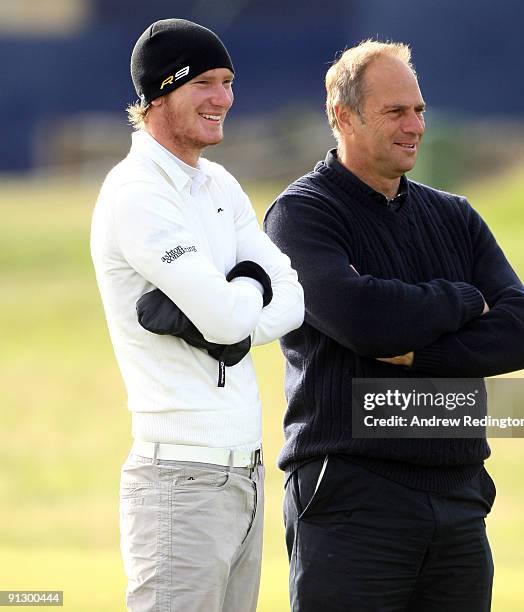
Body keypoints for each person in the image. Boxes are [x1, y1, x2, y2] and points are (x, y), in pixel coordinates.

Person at [264, 40, 524, 612]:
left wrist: (421, 355)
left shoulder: (456, 216)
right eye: (395, 112)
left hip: (459, 497)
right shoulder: (302, 214)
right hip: (351, 497)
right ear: (343, 117)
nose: (414, 125)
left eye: (418, 110)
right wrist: (466, 298)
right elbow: (364, 319)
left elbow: (522, 334)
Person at [90, 18, 304, 612]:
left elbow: (292, 298)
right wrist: (237, 305)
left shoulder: (219, 183)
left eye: (228, 82)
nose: (224, 99)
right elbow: (230, 321)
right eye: (204, 83)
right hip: (179, 481)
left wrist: (231, 311)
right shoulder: (136, 191)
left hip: (246, 477)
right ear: (159, 94)